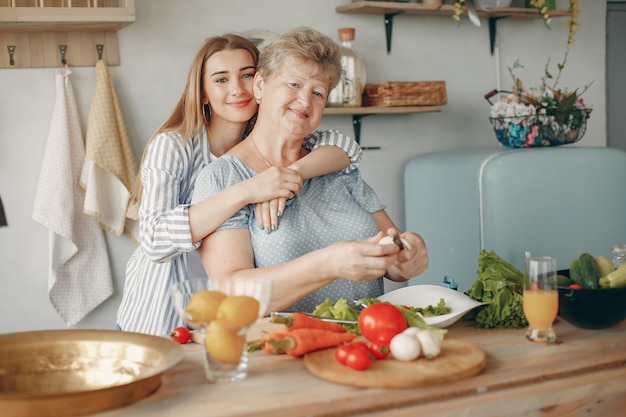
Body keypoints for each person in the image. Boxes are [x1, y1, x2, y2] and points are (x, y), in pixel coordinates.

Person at [117, 33, 362, 335]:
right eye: (221, 80)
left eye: (246, 75)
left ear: (262, 82)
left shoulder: (267, 139)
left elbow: (345, 148)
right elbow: (154, 239)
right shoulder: (174, 145)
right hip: (163, 312)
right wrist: (247, 190)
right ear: (203, 92)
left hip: (226, 318)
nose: (237, 89)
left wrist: (292, 173)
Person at [191, 27, 428, 314]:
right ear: (260, 86)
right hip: (285, 348)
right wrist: (327, 265)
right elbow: (234, 291)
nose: (305, 101)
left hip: (367, 341)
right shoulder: (224, 178)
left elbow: (393, 256)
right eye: (293, 84)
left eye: (318, 92)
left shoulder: (337, 168)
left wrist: (408, 254)